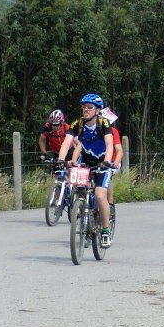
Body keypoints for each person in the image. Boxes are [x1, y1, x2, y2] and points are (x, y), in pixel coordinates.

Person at [57, 93, 115, 248]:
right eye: (84, 107)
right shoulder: (78, 124)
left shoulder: (104, 123)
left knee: (99, 195)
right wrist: (61, 160)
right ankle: (82, 213)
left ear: (97, 111)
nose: (86, 110)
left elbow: (109, 144)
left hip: (102, 162)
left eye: (90, 108)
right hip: (86, 161)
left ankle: (105, 230)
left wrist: (107, 162)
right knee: (77, 186)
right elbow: (67, 143)